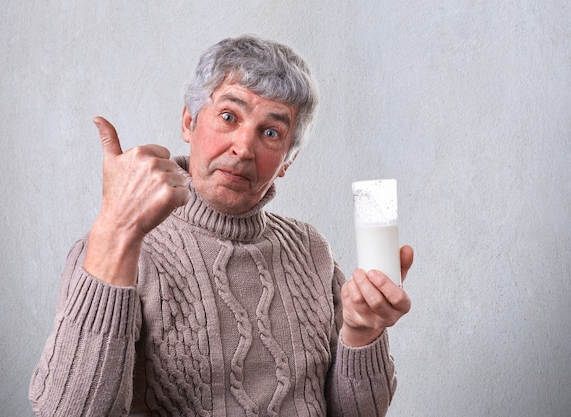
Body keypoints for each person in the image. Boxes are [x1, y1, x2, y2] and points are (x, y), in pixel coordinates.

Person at [29, 35, 413, 417]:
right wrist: (115, 230)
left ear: (286, 161)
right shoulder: (116, 250)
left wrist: (363, 332)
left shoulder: (311, 249)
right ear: (189, 121)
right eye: (229, 117)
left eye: (270, 132)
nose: (244, 147)